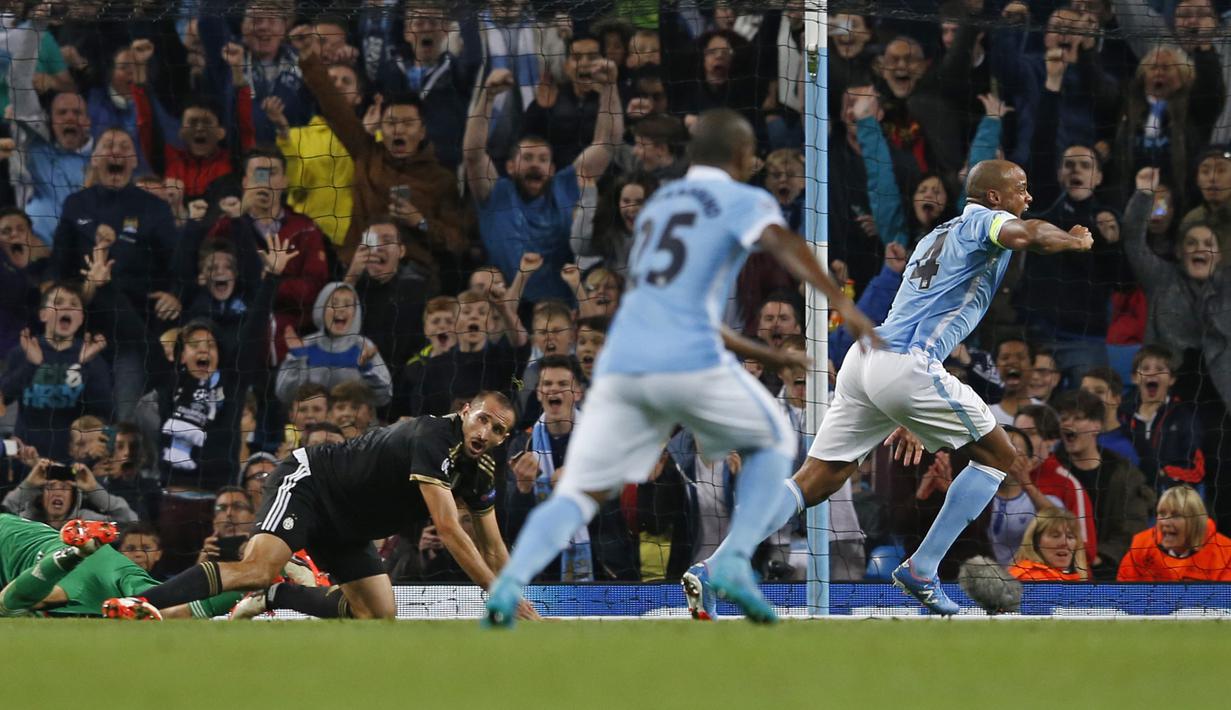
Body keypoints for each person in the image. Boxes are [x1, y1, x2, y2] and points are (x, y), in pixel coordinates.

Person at [483, 108, 878, 626]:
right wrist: (843, 306)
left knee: (580, 489)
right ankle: (734, 561)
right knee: (774, 441)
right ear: (740, 156)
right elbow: (784, 242)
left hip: (624, 359)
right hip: (688, 355)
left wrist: (767, 354)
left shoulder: (659, 205)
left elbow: (687, 301)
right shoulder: (745, 199)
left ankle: (507, 587)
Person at [688, 159, 1095, 617]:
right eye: (1021, 188)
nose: (1029, 197)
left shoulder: (935, 235)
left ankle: (715, 567)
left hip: (867, 360)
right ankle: (922, 568)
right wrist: (1072, 241)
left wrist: (907, 410)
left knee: (816, 479)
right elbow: (1031, 233)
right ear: (995, 197)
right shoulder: (988, 221)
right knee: (1001, 456)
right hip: (906, 366)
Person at [104, 392, 538, 622]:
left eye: (498, 430)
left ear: (504, 439)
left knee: (377, 613)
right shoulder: (431, 436)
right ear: (465, 411)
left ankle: (277, 594)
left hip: (348, 524)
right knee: (256, 567)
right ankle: (141, 605)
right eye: (482, 418)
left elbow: (495, 548)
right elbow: (448, 528)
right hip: (311, 484)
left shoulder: (480, 470)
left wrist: (521, 602)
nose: (486, 431)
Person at [0, 515, 234, 619]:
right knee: (166, 606)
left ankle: (72, 554)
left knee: (8, 605)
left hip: (57, 565)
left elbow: (35, 598)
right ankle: (256, 590)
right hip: (104, 558)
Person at [1117, 485, 1231, 581]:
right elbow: (1123, 592)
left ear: (1195, 520)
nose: (1165, 522)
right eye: (1161, 513)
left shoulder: (1225, 553)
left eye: (1176, 515)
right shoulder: (1141, 545)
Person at [1007, 507, 1089, 581]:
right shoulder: (1028, 577)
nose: (1064, 543)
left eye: (1070, 537)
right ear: (1035, 541)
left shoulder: (1073, 578)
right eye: (1055, 536)